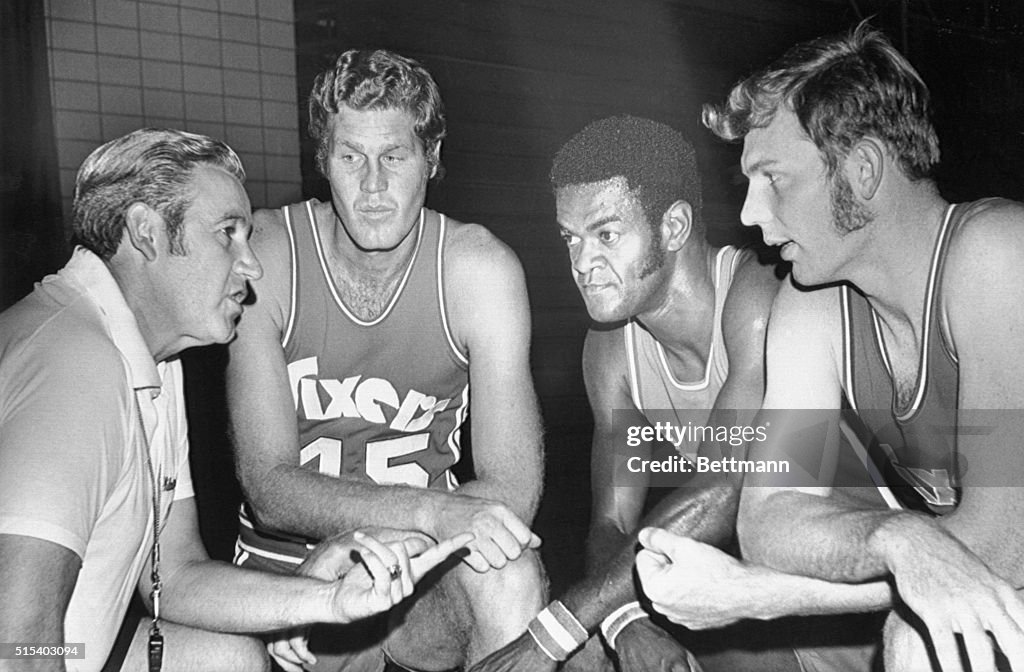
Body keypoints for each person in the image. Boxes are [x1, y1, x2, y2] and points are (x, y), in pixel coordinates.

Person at [0, 128, 471, 672]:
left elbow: (172, 579)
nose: (251, 265)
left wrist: (323, 601)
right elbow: (19, 639)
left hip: (63, 650)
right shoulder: (72, 362)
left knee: (227, 659)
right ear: (146, 232)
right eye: (228, 233)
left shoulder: (151, 358)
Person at [636, 23, 1024, 672]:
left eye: (774, 179)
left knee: (924, 637)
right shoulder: (812, 304)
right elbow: (769, 521)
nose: (753, 215)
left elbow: (1005, 543)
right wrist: (896, 539)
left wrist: (764, 596)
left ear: (863, 170)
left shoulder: (995, 256)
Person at [226, 49, 546, 671]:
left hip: (419, 561)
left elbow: (513, 492)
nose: (373, 186)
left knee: (511, 569)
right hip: (290, 569)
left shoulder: (477, 269)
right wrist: (355, 541)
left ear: (432, 158)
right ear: (322, 160)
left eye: (395, 156)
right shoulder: (267, 254)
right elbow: (266, 485)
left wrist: (375, 539)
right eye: (351, 157)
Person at [467, 116, 785, 672]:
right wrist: (626, 622)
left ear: (674, 226)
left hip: (850, 584)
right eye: (571, 238)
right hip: (749, 582)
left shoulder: (756, 300)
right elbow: (610, 524)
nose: (582, 263)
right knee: (592, 650)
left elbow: (724, 490)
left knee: (561, 639)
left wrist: (553, 631)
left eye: (606, 235)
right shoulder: (611, 350)